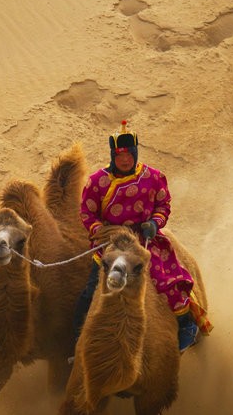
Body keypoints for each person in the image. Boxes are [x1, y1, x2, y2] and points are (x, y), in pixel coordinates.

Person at [73, 120, 212, 352]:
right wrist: (100, 231)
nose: (124, 160)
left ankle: (185, 325)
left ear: (135, 153)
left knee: (170, 281)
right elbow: (86, 212)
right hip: (111, 244)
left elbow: (163, 204)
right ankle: (77, 344)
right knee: (89, 293)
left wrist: (155, 223)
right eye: (119, 156)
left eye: (128, 154)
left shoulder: (154, 177)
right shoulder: (97, 182)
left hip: (146, 241)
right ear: (112, 156)